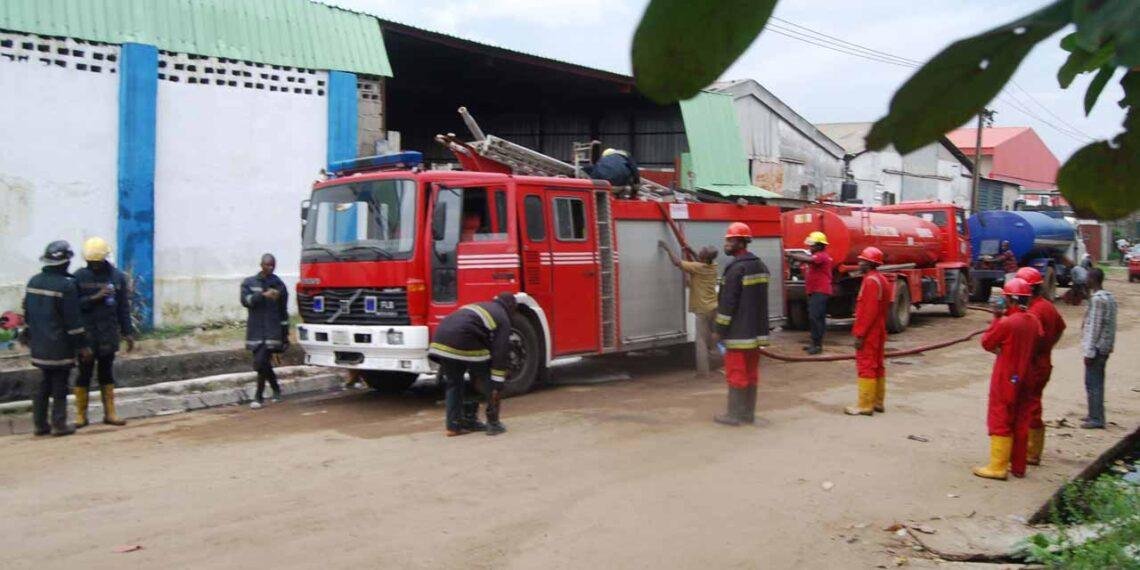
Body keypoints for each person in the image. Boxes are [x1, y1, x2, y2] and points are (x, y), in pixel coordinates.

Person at [973, 278, 1042, 480]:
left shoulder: (1007, 323)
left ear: (1009, 299)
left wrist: (996, 318)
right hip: (1026, 375)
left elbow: (987, 342)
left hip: (1007, 374)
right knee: (1021, 420)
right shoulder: (1033, 321)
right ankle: (1018, 467)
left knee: (1000, 416)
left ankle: (998, 467)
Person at [22, 240, 92, 437]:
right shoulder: (66, 286)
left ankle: (40, 424)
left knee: (43, 384)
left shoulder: (33, 281)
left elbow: (28, 313)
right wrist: (83, 345)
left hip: (39, 343)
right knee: (60, 385)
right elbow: (73, 321)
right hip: (60, 345)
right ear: (65, 262)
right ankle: (59, 424)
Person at [428, 292, 518, 436]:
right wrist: (498, 380)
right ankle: (493, 424)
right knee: (488, 380)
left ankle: (454, 426)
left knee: (454, 384)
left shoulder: (481, 306)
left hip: (440, 338)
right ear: (511, 307)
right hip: (464, 339)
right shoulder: (503, 317)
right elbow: (500, 352)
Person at [711, 222, 770, 426]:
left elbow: (728, 304)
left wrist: (719, 330)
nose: (726, 244)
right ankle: (748, 414)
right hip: (755, 334)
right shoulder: (760, 265)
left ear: (741, 241)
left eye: (730, 240)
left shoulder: (736, 268)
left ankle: (735, 415)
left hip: (737, 334)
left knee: (736, 372)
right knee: (751, 373)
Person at [72, 237, 134, 427]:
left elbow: (123, 307)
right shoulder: (78, 277)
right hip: (88, 335)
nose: (95, 266)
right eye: (91, 263)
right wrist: (94, 298)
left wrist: (128, 332)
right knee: (84, 373)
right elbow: (73, 307)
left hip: (108, 333)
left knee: (106, 373)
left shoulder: (117, 277)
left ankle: (110, 413)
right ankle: (81, 416)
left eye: (97, 262)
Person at [1013, 267, 1065, 469]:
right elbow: (1061, 328)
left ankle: (1032, 452)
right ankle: (1030, 448)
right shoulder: (1047, 306)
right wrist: (1048, 347)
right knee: (1033, 403)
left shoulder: (1034, 312)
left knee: (1031, 406)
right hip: (1044, 362)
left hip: (1034, 365)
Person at [659, 241, 720, 375]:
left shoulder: (698, 267)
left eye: (702, 250)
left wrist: (667, 248)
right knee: (712, 339)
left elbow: (677, 262)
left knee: (701, 341)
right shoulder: (713, 266)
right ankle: (716, 365)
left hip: (702, 310)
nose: (699, 250)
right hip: (714, 307)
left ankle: (703, 372)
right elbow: (700, 260)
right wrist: (691, 251)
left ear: (704, 257)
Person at [845, 247, 891, 416]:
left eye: (862, 260)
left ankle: (865, 405)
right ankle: (878, 402)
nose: (859, 263)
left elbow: (868, 312)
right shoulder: (882, 280)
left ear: (870, 263)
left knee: (866, 365)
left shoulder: (870, 281)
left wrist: (860, 334)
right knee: (878, 364)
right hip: (879, 328)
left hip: (870, 331)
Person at [240, 254, 289, 409]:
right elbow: (246, 301)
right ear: (261, 264)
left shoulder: (279, 284)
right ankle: (276, 389)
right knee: (260, 364)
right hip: (255, 330)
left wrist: (285, 334)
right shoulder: (249, 283)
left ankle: (258, 396)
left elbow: (283, 311)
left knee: (261, 362)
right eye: (267, 265)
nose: (270, 268)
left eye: (272, 265)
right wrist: (262, 295)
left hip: (272, 330)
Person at [1080, 267, 1116, 429]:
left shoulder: (1097, 300)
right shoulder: (1109, 298)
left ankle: (1096, 418)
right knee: (1097, 382)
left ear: (1093, 280)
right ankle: (1094, 413)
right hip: (1104, 347)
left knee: (1092, 383)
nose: (1086, 281)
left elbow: (1095, 327)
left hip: (1096, 349)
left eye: (1088, 278)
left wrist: (1089, 351)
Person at [786, 231, 833, 355]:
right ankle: (814, 343)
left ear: (819, 245)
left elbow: (808, 260)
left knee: (816, 317)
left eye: (812, 245)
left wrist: (791, 255)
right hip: (814, 291)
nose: (810, 247)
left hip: (820, 291)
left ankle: (817, 345)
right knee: (814, 317)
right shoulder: (817, 255)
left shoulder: (821, 256)